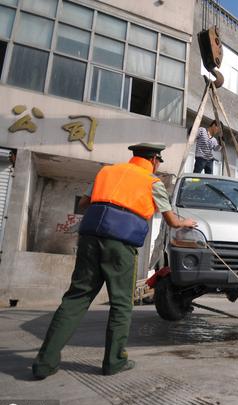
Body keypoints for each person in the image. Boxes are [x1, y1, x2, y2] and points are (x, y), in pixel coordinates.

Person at [32, 143, 198, 379]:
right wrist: (186, 223)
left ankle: (44, 363)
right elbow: (170, 220)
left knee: (76, 298)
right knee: (121, 304)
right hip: (121, 243)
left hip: (90, 237)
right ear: (153, 160)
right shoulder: (153, 182)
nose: (158, 165)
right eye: (159, 161)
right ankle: (114, 362)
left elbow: (83, 204)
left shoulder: (106, 172)